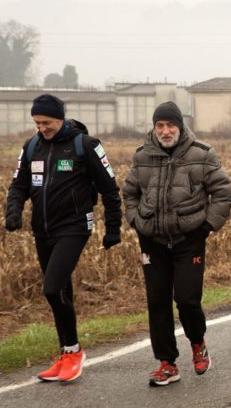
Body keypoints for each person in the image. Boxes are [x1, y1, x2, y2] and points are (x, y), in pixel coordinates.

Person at [5, 93, 122, 383]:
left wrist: (113, 228)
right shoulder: (32, 147)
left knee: (51, 288)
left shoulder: (85, 146)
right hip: (42, 230)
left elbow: (110, 189)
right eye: (37, 123)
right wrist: (14, 212)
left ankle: (73, 351)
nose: (42, 128)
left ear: (60, 118)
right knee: (61, 292)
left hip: (74, 227)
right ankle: (66, 352)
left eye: (46, 122)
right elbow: (18, 185)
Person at [123, 102, 231, 386]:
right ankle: (167, 364)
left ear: (180, 127)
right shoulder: (142, 156)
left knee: (186, 299)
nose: (165, 131)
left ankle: (198, 343)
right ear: (154, 127)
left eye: (170, 125)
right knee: (157, 302)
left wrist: (207, 226)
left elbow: (223, 191)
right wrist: (136, 221)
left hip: (188, 240)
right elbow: (130, 192)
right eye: (160, 125)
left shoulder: (202, 154)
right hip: (153, 240)